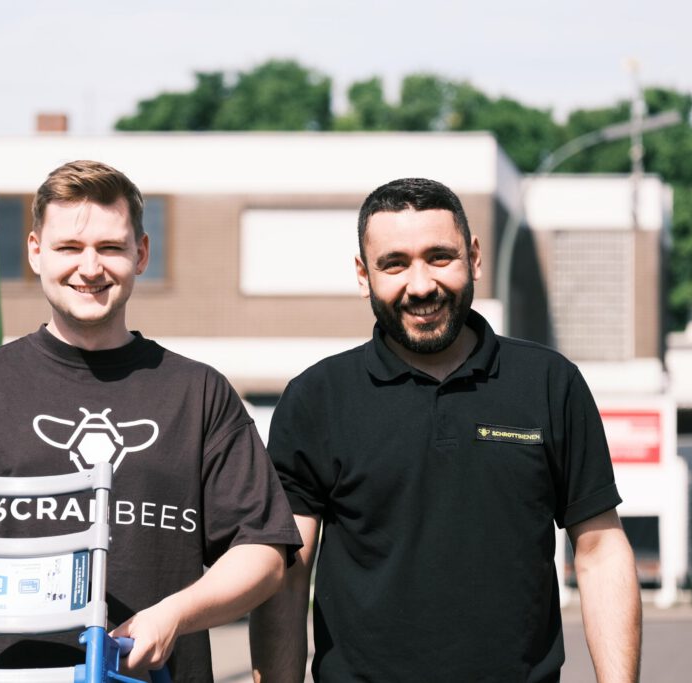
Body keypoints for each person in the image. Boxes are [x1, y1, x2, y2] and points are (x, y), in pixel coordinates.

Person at [0, 160, 302, 682]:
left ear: (142, 254)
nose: (90, 269)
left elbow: (264, 552)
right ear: (35, 251)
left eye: (110, 248)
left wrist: (174, 615)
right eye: (69, 248)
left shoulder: (197, 393)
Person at [249, 178, 641, 682]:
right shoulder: (317, 397)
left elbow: (600, 549)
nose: (420, 285)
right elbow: (287, 576)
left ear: (474, 257)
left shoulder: (549, 382)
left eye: (439, 257)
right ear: (363, 274)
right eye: (394, 263)